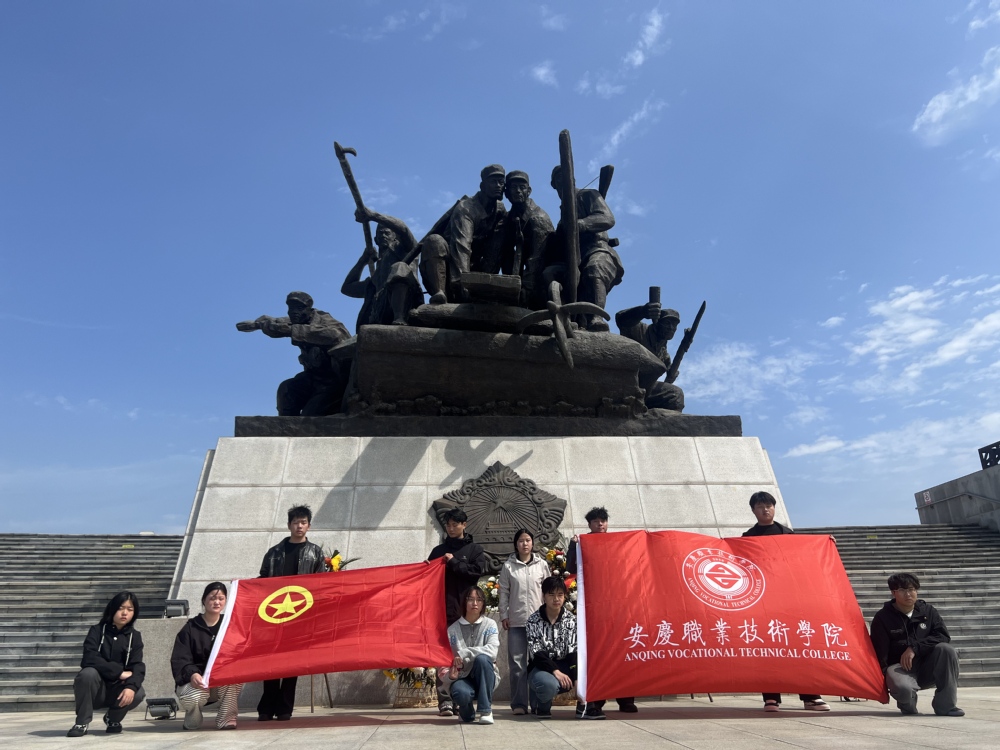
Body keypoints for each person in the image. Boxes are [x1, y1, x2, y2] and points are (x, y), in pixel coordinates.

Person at [743, 490, 831, 712]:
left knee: (800, 647)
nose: (765, 510)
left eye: (769, 506)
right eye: (760, 506)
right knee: (767, 650)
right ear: (753, 510)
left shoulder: (790, 536)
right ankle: (771, 698)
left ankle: (810, 696)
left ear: (774, 508)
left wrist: (826, 544)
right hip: (763, 601)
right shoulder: (747, 538)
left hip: (791, 601)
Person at [257, 504, 327, 721]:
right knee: (270, 662)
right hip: (274, 616)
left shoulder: (315, 552)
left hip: (301, 616)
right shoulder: (274, 553)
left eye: (303, 522)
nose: (299, 526)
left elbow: (322, 584)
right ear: (289, 525)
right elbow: (262, 581)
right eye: (296, 522)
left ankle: (285, 708)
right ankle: (266, 708)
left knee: (292, 662)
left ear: (309, 526)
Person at [566, 506, 636, 716]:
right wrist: (574, 547)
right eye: (596, 521)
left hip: (618, 606)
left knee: (622, 653)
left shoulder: (616, 542)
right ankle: (596, 701)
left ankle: (626, 699)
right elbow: (571, 568)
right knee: (598, 656)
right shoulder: (582, 542)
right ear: (589, 524)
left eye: (603, 520)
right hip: (595, 608)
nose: (600, 524)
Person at [236, 291, 351, 416]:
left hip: (335, 382)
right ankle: (282, 425)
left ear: (310, 309)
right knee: (286, 389)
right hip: (313, 377)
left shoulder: (326, 321)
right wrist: (258, 324)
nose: (294, 312)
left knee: (310, 416)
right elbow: (280, 322)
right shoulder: (299, 319)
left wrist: (290, 330)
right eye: (291, 308)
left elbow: (336, 335)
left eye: (300, 308)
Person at [869, 572, 963, 717]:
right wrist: (885, 680)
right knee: (903, 689)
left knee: (947, 650)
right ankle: (908, 704)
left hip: (927, 665)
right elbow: (879, 651)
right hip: (899, 667)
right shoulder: (883, 617)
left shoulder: (928, 611)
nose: (908, 594)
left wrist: (914, 648)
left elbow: (942, 636)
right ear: (893, 592)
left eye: (911, 589)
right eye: (902, 590)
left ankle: (946, 706)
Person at [546, 165, 623, 331]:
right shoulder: (563, 214)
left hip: (597, 249)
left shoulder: (588, 195)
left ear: (573, 180)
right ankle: (562, 317)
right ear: (554, 185)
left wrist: (581, 224)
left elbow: (607, 218)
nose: (563, 181)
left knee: (594, 268)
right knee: (550, 273)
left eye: (566, 177)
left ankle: (596, 317)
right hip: (574, 258)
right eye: (558, 179)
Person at [418, 165, 507, 304]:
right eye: (493, 182)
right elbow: (462, 247)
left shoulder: (500, 209)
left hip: (474, 268)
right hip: (449, 270)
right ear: (482, 186)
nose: (498, 186)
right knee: (434, 241)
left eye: (501, 182)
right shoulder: (466, 208)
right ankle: (440, 293)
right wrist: (464, 286)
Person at [428, 507, 487, 715]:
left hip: (467, 614)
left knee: (465, 656)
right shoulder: (438, 551)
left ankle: (463, 697)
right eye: (448, 525)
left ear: (464, 525)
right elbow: (427, 577)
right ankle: (445, 699)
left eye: (455, 524)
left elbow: (475, 573)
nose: (451, 528)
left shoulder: (474, 550)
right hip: (443, 611)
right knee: (443, 656)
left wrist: (453, 562)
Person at [67, 592, 145, 737]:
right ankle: (81, 722)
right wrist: (119, 672)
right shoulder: (97, 631)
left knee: (138, 692)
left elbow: (137, 666)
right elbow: (89, 658)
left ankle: (112, 719)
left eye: (130, 609)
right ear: (112, 609)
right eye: (121, 608)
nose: (125, 613)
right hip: (96, 689)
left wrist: (130, 687)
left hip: (117, 690)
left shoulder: (135, 636)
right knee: (87, 674)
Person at [170, 582, 243, 730]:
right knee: (193, 697)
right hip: (196, 683)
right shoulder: (190, 628)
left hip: (220, 682)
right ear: (204, 600)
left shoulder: (229, 625)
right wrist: (192, 674)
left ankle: (226, 718)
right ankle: (193, 718)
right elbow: (180, 658)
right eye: (212, 598)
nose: (217, 602)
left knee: (233, 678)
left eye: (221, 598)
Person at [341, 208, 423, 330]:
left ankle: (399, 317)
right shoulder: (376, 277)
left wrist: (373, 216)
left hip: (409, 304)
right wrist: (362, 261)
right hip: (381, 310)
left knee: (400, 267)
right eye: (380, 233)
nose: (383, 236)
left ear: (395, 237)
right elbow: (347, 288)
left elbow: (404, 230)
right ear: (376, 240)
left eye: (387, 233)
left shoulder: (405, 249)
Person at [498, 528, 548, 715]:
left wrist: (549, 616)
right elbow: (504, 592)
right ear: (516, 544)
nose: (524, 544)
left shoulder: (542, 565)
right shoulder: (508, 566)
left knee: (538, 663)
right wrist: (504, 615)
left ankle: (537, 704)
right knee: (517, 665)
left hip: (538, 623)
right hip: (516, 622)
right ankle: (519, 704)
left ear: (532, 543)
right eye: (521, 541)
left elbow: (549, 591)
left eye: (527, 540)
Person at [443, 586, 501, 724]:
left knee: (483, 659)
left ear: (483, 603)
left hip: (485, 675)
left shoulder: (490, 625)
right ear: (464, 602)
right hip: (462, 678)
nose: (475, 603)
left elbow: (492, 651)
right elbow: (444, 662)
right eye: (470, 599)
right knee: (460, 693)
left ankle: (486, 711)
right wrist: (449, 676)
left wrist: (465, 653)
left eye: (479, 600)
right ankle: (466, 712)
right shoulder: (452, 630)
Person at [615, 300, 685, 411]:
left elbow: (669, 378)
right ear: (657, 322)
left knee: (675, 395)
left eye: (674, 325)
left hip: (644, 390)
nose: (671, 328)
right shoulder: (640, 330)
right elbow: (621, 319)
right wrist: (642, 311)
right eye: (667, 323)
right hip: (625, 383)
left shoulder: (664, 353)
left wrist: (672, 374)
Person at [526, 576, 579, 719]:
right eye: (551, 595)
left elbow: (573, 651)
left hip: (566, 665)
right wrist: (556, 672)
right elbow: (537, 654)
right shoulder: (533, 621)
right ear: (543, 596)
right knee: (547, 684)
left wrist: (576, 678)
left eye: (560, 595)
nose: (556, 599)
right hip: (541, 667)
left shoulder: (571, 620)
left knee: (586, 676)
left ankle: (584, 707)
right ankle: (542, 706)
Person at [500, 170, 554, 309]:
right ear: (506, 193)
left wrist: (526, 287)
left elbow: (537, 257)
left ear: (528, 191)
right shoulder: (509, 218)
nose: (518, 191)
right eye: (513, 187)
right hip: (523, 271)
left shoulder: (538, 218)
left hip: (543, 273)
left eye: (522, 187)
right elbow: (504, 251)